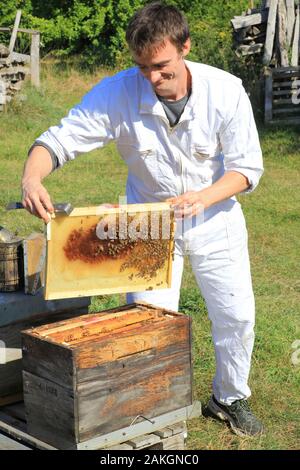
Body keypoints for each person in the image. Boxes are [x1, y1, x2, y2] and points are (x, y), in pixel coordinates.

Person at [21, 2, 264, 437]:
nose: (153, 78)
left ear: (185, 47)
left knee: (236, 313)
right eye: (143, 67)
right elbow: (59, 139)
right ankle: (145, 407)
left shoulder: (226, 90)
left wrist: (205, 197)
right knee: (148, 318)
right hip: (149, 222)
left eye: (162, 66)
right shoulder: (119, 92)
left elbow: (247, 169)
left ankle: (228, 398)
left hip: (215, 218)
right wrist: (31, 176)